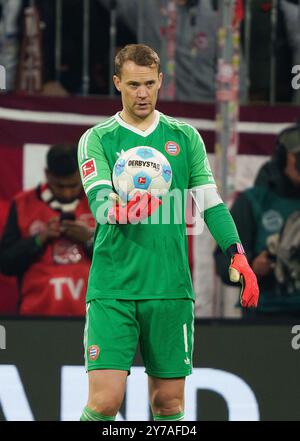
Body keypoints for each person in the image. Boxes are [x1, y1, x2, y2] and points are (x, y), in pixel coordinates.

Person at [77, 43, 259, 422]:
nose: (141, 93)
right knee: (104, 403)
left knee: (169, 405)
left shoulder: (185, 137)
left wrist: (236, 252)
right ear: (117, 83)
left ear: (160, 81)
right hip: (114, 288)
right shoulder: (98, 138)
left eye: (148, 84)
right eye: (132, 85)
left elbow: (210, 203)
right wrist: (122, 212)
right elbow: (99, 202)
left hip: (171, 288)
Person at [214, 124, 300, 317]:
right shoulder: (253, 202)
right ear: (282, 159)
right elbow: (223, 260)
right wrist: (251, 266)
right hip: (264, 316)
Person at [0, 144, 95, 316]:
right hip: (36, 319)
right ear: (47, 175)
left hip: (92, 318)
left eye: (73, 185)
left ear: (83, 174)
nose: (67, 193)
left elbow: (124, 261)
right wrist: (39, 239)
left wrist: (90, 240)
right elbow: (6, 264)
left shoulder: (99, 203)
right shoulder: (23, 204)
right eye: (60, 186)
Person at [98, 0, 247, 103]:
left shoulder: (216, 14)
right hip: (157, 112)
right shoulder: (147, 6)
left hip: (205, 112)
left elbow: (236, 73)